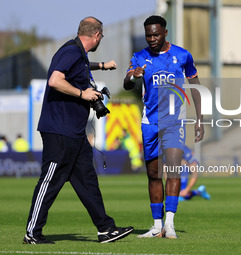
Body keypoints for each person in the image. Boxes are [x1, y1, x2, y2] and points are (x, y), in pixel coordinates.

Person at [23, 17, 133, 245]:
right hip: (60, 131)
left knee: (88, 181)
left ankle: (106, 229)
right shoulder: (71, 51)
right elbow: (55, 80)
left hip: (74, 133)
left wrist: (102, 66)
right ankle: (32, 233)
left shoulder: (78, 55)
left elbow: (78, 67)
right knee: (50, 181)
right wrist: (83, 94)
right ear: (97, 35)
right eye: (101, 36)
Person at [123, 15, 204, 239]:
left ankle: (170, 223)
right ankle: (157, 226)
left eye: (156, 34)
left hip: (174, 121)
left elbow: (196, 87)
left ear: (165, 32)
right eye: (148, 35)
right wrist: (133, 76)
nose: (152, 38)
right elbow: (126, 83)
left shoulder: (182, 55)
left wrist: (200, 118)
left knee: (174, 169)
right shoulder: (139, 57)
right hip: (150, 122)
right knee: (153, 173)